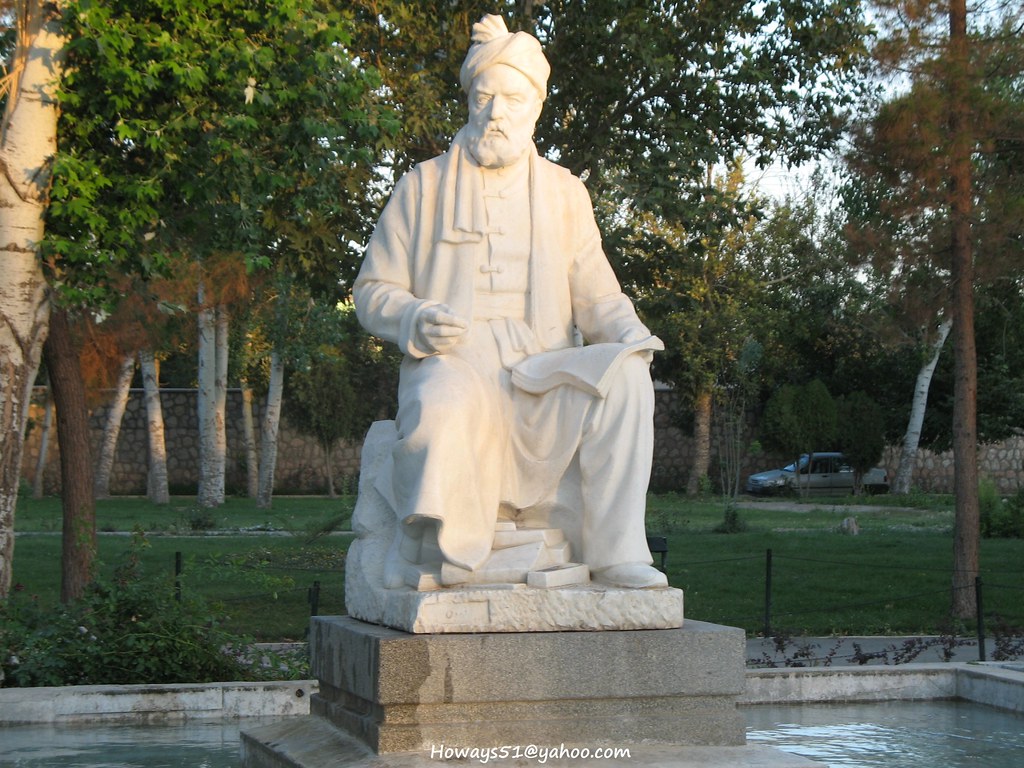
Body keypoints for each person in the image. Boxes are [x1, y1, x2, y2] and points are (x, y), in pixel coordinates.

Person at [354, 14, 666, 589]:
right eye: (485, 97)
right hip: (456, 362)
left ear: (536, 108)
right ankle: (439, 555)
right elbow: (372, 292)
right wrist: (415, 317)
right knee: (442, 404)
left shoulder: (565, 193)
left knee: (627, 379)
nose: (497, 113)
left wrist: (631, 338)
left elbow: (598, 294)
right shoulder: (421, 187)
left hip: (541, 370)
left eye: (513, 100)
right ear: (470, 101)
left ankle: (617, 552)